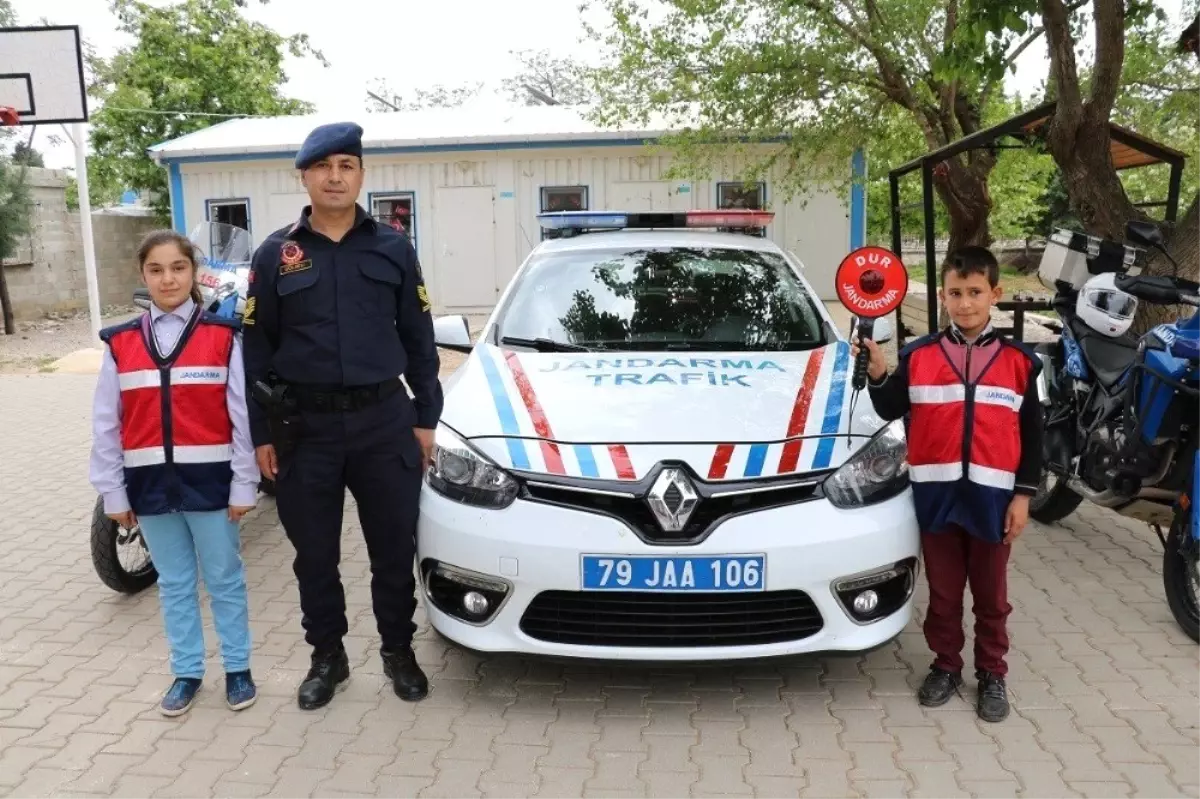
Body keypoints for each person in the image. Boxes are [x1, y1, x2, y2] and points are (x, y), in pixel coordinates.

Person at [241, 121, 443, 709]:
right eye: (324, 166)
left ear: (361, 174)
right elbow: (256, 350)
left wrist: (427, 417)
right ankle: (327, 657)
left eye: (347, 166)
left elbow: (419, 337)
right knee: (314, 556)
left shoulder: (393, 247)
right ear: (303, 175)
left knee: (391, 547)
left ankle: (398, 651)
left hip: (385, 421)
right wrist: (261, 433)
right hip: (305, 429)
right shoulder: (276, 254)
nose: (335, 177)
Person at [853, 246, 1042, 723]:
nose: (965, 303)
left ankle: (993, 673)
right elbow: (891, 407)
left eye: (975, 293)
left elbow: (1036, 437)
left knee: (992, 596)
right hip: (936, 499)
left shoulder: (1021, 363)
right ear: (942, 295)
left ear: (994, 295)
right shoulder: (919, 357)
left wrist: (1023, 495)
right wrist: (878, 370)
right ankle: (945, 665)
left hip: (993, 501)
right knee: (942, 593)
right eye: (955, 293)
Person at [89, 230, 258, 717]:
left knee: (224, 578)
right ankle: (186, 671)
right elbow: (106, 424)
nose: (168, 278)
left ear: (193, 273)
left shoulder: (223, 338)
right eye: (157, 269)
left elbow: (241, 419)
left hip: (211, 485)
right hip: (150, 488)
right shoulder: (120, 344)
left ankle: (238, 667)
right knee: (175, 582)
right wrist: (113, 494)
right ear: (143, 275)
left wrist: (243, 482)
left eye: (178, 268)